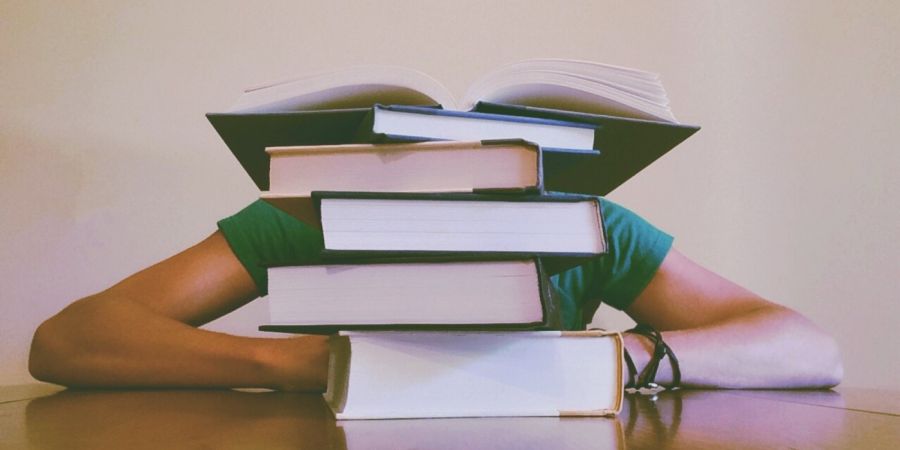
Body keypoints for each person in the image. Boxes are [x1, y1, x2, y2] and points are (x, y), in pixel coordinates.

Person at [28, 198, 843, 391]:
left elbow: (808, 347)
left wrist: (624, 357)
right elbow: (68, 339)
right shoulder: (310, 214)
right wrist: (312, 364)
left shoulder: (584, 226)